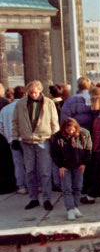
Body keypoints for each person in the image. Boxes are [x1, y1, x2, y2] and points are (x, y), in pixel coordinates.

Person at [12, 80, 59, 211]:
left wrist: (55, 138)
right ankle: (33, 198)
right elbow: (15, 121)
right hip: (27, 141)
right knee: (30, 171)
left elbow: (54, 122)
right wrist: (15, 138)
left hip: (43, 140)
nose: (33, 95)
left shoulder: (49, 103)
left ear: (40, 91)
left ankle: (47, 199)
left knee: (45, 171)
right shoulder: (21, 104)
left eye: (35, 92)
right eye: (30, 93)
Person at [49, 117, 92, 221]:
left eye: (72, 129)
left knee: (78, 187)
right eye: (68, 130)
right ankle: (70, 210)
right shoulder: (57, 137)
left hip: (78, 165)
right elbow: (54, 153)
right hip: (65, 166)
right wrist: (60, 166)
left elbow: (88, 149)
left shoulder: (84, 134)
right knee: (67, 188)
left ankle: (76, 207)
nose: (71, 132)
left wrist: (84, 163)